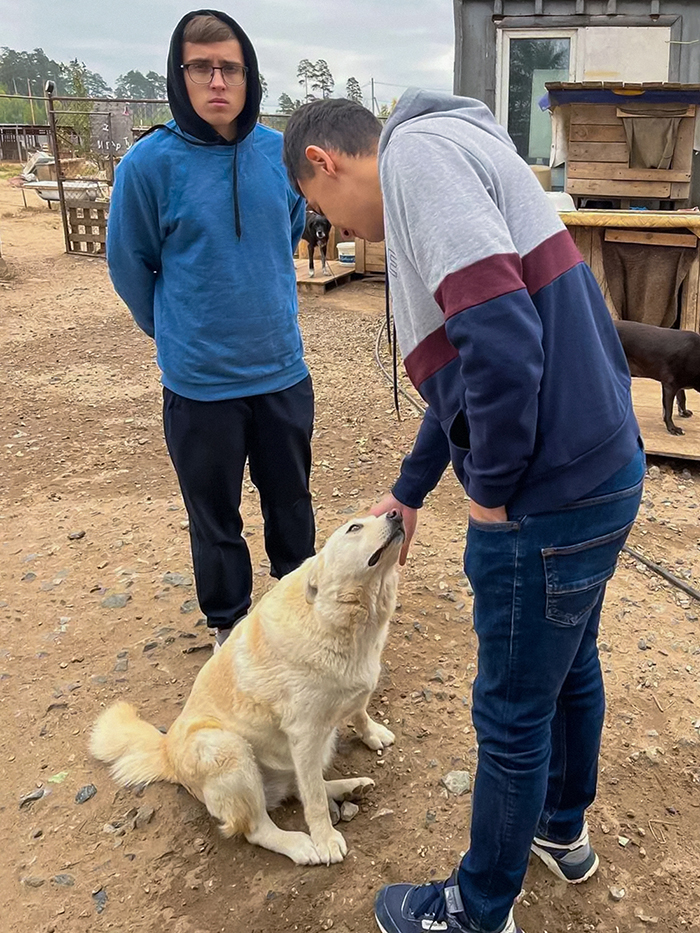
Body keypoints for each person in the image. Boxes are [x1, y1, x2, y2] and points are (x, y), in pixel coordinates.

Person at [282, 92, 644, 933]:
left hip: (545, 494)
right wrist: (411, 488)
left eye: (316, 208)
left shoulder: (418, 164)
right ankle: (562, 828)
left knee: (512, 709)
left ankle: (479, 910)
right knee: (569, 662)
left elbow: (504, 342)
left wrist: (488, 492)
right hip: (602, 467)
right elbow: (467, 365)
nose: (333, 226)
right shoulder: (455, 144)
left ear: (323, 165)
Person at [107, 10, 314, 651]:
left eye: (230, 67)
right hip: (199, 384)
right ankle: (229, 624)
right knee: (214, 514)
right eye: (201, 67)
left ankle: (295, 608)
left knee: (290, 502)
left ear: (250, 74)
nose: (217, 81)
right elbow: (130, 264)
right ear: (181, 75)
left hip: (281, 369)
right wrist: (173, 330)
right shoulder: (148, 166)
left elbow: (291, 229)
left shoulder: (279, 156)